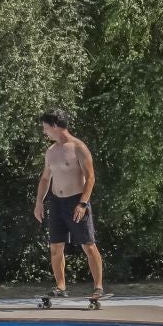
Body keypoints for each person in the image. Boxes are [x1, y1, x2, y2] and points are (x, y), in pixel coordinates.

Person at [33, 109, 105, 300]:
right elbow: (45, 178)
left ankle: (98, 287)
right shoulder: (51, 151)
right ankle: (60, 286)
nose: (44, 132)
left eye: (46, 127)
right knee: (55, 247)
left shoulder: (78, 147)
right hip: (56, 203)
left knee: (88, 245)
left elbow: (90, 178)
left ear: (56, 126)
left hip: (76, 202)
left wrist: (82, 203)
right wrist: (39, 202)